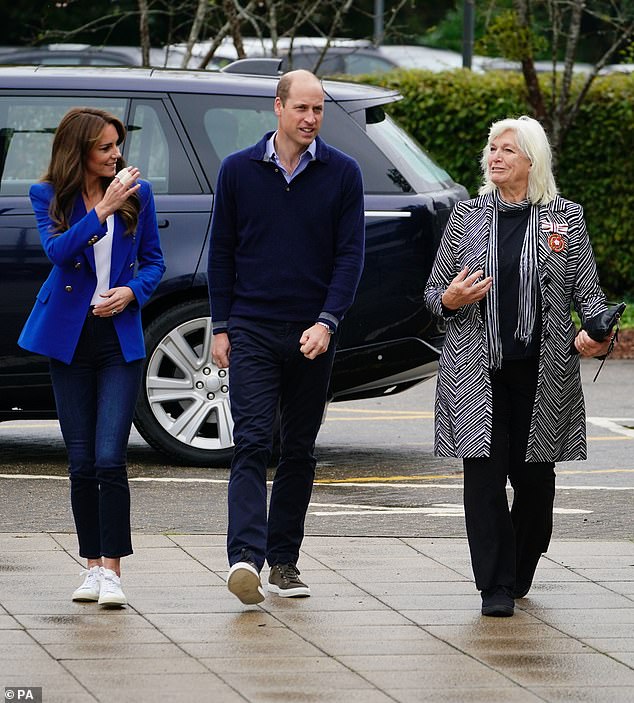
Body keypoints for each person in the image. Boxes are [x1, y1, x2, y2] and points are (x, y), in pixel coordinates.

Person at [424, 115, 611, 617]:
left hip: (542, 372)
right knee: (482, 481)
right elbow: (432, 296)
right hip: (475, 372)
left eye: (508, 149)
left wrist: (596, 331)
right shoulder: (466, 218)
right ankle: (495, 586)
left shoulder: (564, 220)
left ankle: (521, 565)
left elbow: (588, 295)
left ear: (532, 160)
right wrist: (451, 297)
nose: (496, 156)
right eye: (492, 148)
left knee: (535, 485)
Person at [208, 69, 365, 605]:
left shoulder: (343, 174)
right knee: (251, 441)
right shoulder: (238, 171)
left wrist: (328, 322)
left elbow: (350, 258)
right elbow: (222, 252)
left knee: (298, 448)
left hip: (313, 331)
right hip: (251, 326)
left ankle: (284, 562)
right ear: (277, 108)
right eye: (301, 108)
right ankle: (244, 559)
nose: (310, 118)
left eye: (318, 109)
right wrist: (222, 325)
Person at [18, 107, 165, 607]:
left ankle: (115, 573)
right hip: (68, 340)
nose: (116, 154)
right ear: (79, 152)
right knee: (80, 461)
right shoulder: (48, 196)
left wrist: (130, 293)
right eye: (105, 147)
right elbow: (59, 252)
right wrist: (102, 210)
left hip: (116, 340)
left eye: (117, 146)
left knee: (109, 458)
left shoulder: (139, 195)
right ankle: (91, 567)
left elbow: (154, 262)